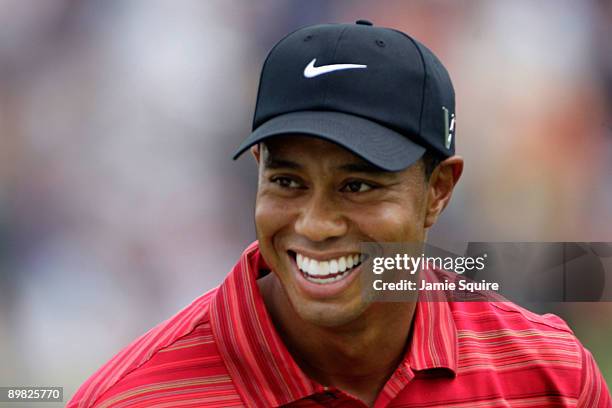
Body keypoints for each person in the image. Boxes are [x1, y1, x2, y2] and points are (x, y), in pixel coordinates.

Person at [68, 20, 611, 407]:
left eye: (357, 185)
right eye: (287, 181)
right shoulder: (129, 397)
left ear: (439, 190)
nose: (314, 224)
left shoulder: (554, 379)